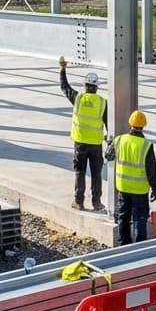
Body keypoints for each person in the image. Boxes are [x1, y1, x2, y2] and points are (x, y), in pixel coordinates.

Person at [59, 56, 107, 212]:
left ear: (85, 86)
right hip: (96, 144)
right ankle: (97, 203)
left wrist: (63, 69)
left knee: (80, 172)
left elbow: (64, 87)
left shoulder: (78, 98)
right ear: (97, 87)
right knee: (96, 174)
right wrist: (109, 137)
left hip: (80, 143)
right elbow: (108, 122)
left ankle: (79, 202)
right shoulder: (102, 102)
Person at [110, 109, 156, 245]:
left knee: (123, 217)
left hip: (123, 187)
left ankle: (122, 245)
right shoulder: (146, 145)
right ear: (143, 126)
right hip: (139, 190)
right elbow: (151, 170)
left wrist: (109, 143)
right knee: (140, 219)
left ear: (130, 123)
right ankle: (139, 247)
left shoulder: (119, 140)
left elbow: (108, 156)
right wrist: (154, 188)